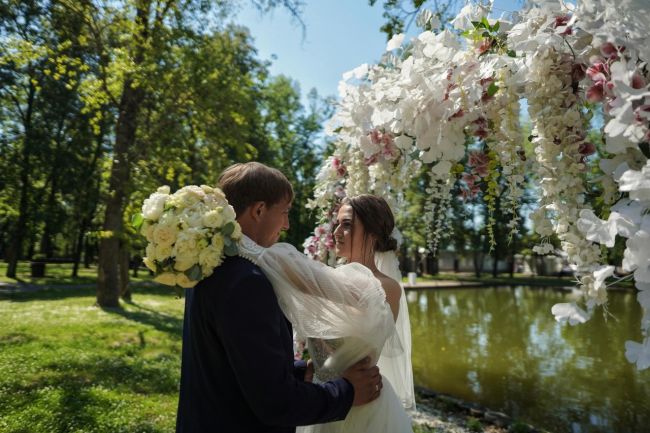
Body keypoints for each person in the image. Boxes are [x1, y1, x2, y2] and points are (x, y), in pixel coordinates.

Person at [176, 162, 383, 433]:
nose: (286, 224)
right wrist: (347, 391)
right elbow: (276, 403)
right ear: (259, 210)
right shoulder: (246, 281)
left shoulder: (207, 265)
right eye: (284, 212)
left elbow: (226, 363)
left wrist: (299, 372)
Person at [239, 194, 415, 433]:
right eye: (336, 224)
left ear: (373, 232)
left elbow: (298, 278)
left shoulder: (385, 287)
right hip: (323, 398)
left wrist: (240, 240)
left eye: (347, 224)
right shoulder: (333, 278)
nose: (336, 232)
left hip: (358, 407)